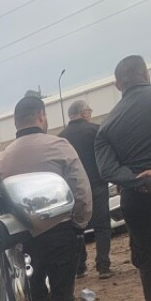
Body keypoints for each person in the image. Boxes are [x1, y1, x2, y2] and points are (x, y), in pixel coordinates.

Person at [0, 94, 96, 301]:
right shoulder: (59, 146)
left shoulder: (3, 159)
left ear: (16, 122)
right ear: (41, 116)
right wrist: (80, 222)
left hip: (24, 238)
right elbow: (81, 189)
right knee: (63, 292)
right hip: (61, 231)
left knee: (35, 294)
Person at [95, 55, 151, 301]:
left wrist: (134, 179)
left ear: (118, 85)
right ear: (146, 74)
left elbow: (107, 170)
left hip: (137, 199)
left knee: (147, 259)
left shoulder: (106, 126)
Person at [60, 99, 113, 279]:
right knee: (102, 226)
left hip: (73, 190)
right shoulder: (96, 131)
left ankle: (80, 266)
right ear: (83, 113)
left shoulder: (60, 138)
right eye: (89, 110)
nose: (90, 113)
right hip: (97, 184)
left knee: (77, 227)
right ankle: (103, 266)